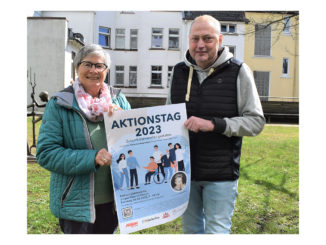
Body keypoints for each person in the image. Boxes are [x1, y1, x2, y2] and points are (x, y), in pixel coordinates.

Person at [166, 15, 265, 234]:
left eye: (208, 39)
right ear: (189, 40)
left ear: (220, 40)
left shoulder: (239, 71)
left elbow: (256, 122)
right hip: (184, 173)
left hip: (221, 173)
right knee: (191, 231)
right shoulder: (179, 71)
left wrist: (214, 125)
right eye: (195, 39)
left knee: (217, 232)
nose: (200, 45)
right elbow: (167, 117)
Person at [36, 44, 131, 234]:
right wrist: (92, 158)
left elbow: (135, 142)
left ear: (107, 71)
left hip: (113, 201)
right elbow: (46, 153)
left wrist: (125, 121)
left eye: (100, 66)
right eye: (88, 64)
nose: (94, 70)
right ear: (77, 67)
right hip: (75, 204)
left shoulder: (119, 100)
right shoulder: (60, 104)